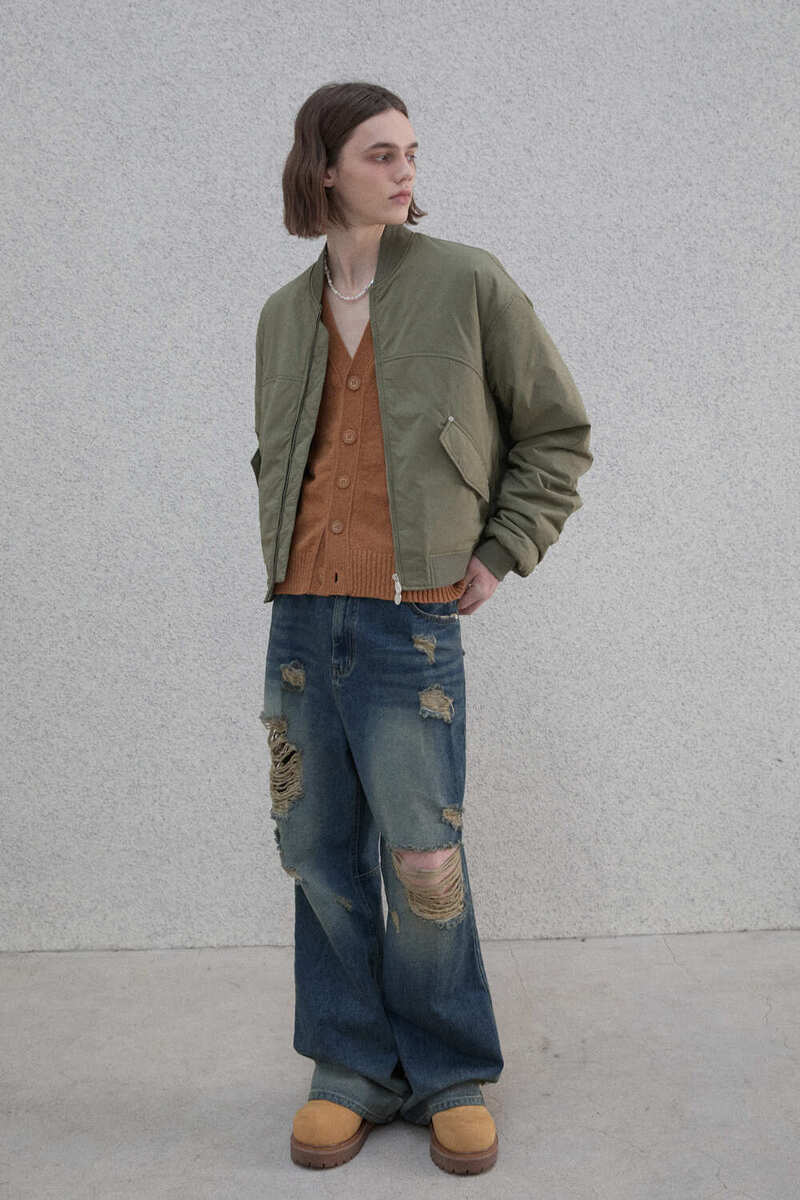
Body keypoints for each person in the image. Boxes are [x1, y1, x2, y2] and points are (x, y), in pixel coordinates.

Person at [251, 81, 593, 1174]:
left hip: (411, 627)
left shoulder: (465, 281)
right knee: (316, 851)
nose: (404, 171)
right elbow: (279, 461)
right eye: (378, 153)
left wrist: (502, 548)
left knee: (423, 854)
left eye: (410, 152)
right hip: (301, 623)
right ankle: (350, 1066)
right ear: (324, 170)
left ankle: (448, 1070)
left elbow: (556, 432)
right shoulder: (282, 314)